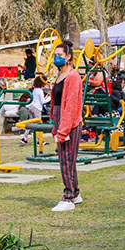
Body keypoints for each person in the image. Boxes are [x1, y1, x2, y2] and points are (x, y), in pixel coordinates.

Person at [51, 40, 83, 212]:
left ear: (68, 57)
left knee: (67, 160)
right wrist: (55, 125)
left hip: (69, 123)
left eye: (60, 55)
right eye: (55, 55)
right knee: (66, 159)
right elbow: (56, 103)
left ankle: (69, 196)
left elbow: (71, 105)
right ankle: (75, 192)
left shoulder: (72, 76)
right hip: (60, 120)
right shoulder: (60, 76)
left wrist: (64, 129)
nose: (57, 58)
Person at [20, 76, 46, 142]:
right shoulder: (40, 91)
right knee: (38, 124)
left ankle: (24, 137)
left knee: (31, 122)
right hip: (37, 108)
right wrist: (50, 98)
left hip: (31, 107)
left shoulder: (35, 90)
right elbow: (42, 101)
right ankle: (39, 140)